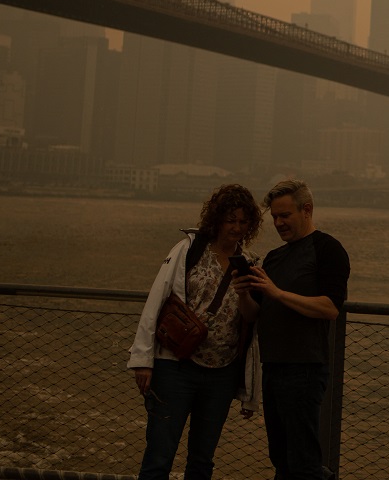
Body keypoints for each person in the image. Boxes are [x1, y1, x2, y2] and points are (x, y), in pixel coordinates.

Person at [128, 183, 264, 480]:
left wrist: (244, 294)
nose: (237, 228)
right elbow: (157, 299)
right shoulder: (189, 249)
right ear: (217, 219)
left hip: (221, 374)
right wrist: (143, 360)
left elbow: (252, 319)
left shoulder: (251, 263)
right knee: (159, 456)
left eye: (243, 221)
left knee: (202, 460)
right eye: (231, 220)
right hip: (175, 367)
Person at [238, 179, 349, 480]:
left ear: (307, 210)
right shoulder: (274, 258)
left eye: (285, 215)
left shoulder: (328, 249)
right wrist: (243, 293)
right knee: (281, 458)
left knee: (303, 461)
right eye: (274, 216)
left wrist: (276, 293)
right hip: (272, 367)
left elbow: (330, 308)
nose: (278, 223)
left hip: (305, 368)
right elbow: (254, 316)